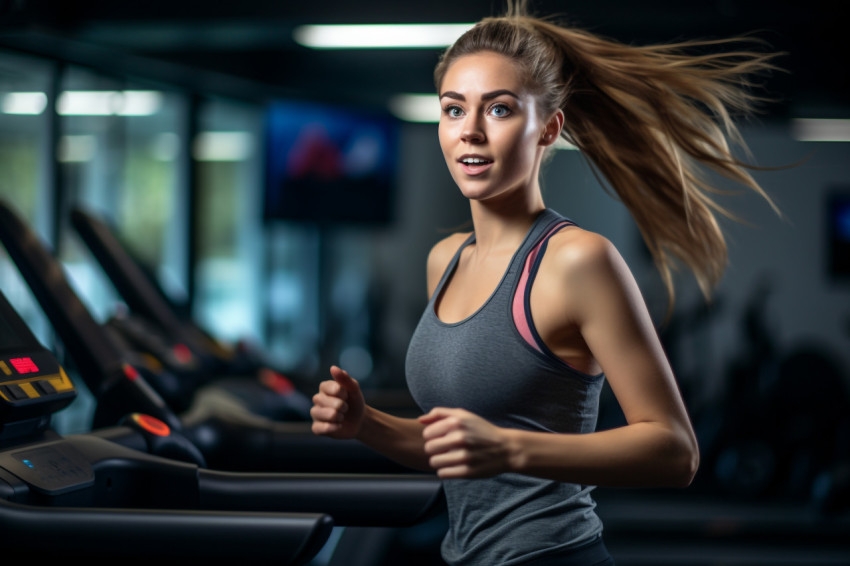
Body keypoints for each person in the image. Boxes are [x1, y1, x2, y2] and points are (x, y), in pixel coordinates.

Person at [311, 1, 781, 564]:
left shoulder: (578, 261)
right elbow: (456, 450)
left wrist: (509, 447)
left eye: (500, 110)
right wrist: (366, 424)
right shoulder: (446, 260)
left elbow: (675, 451)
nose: (471, 133)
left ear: (549, 129)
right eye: (454, 110)